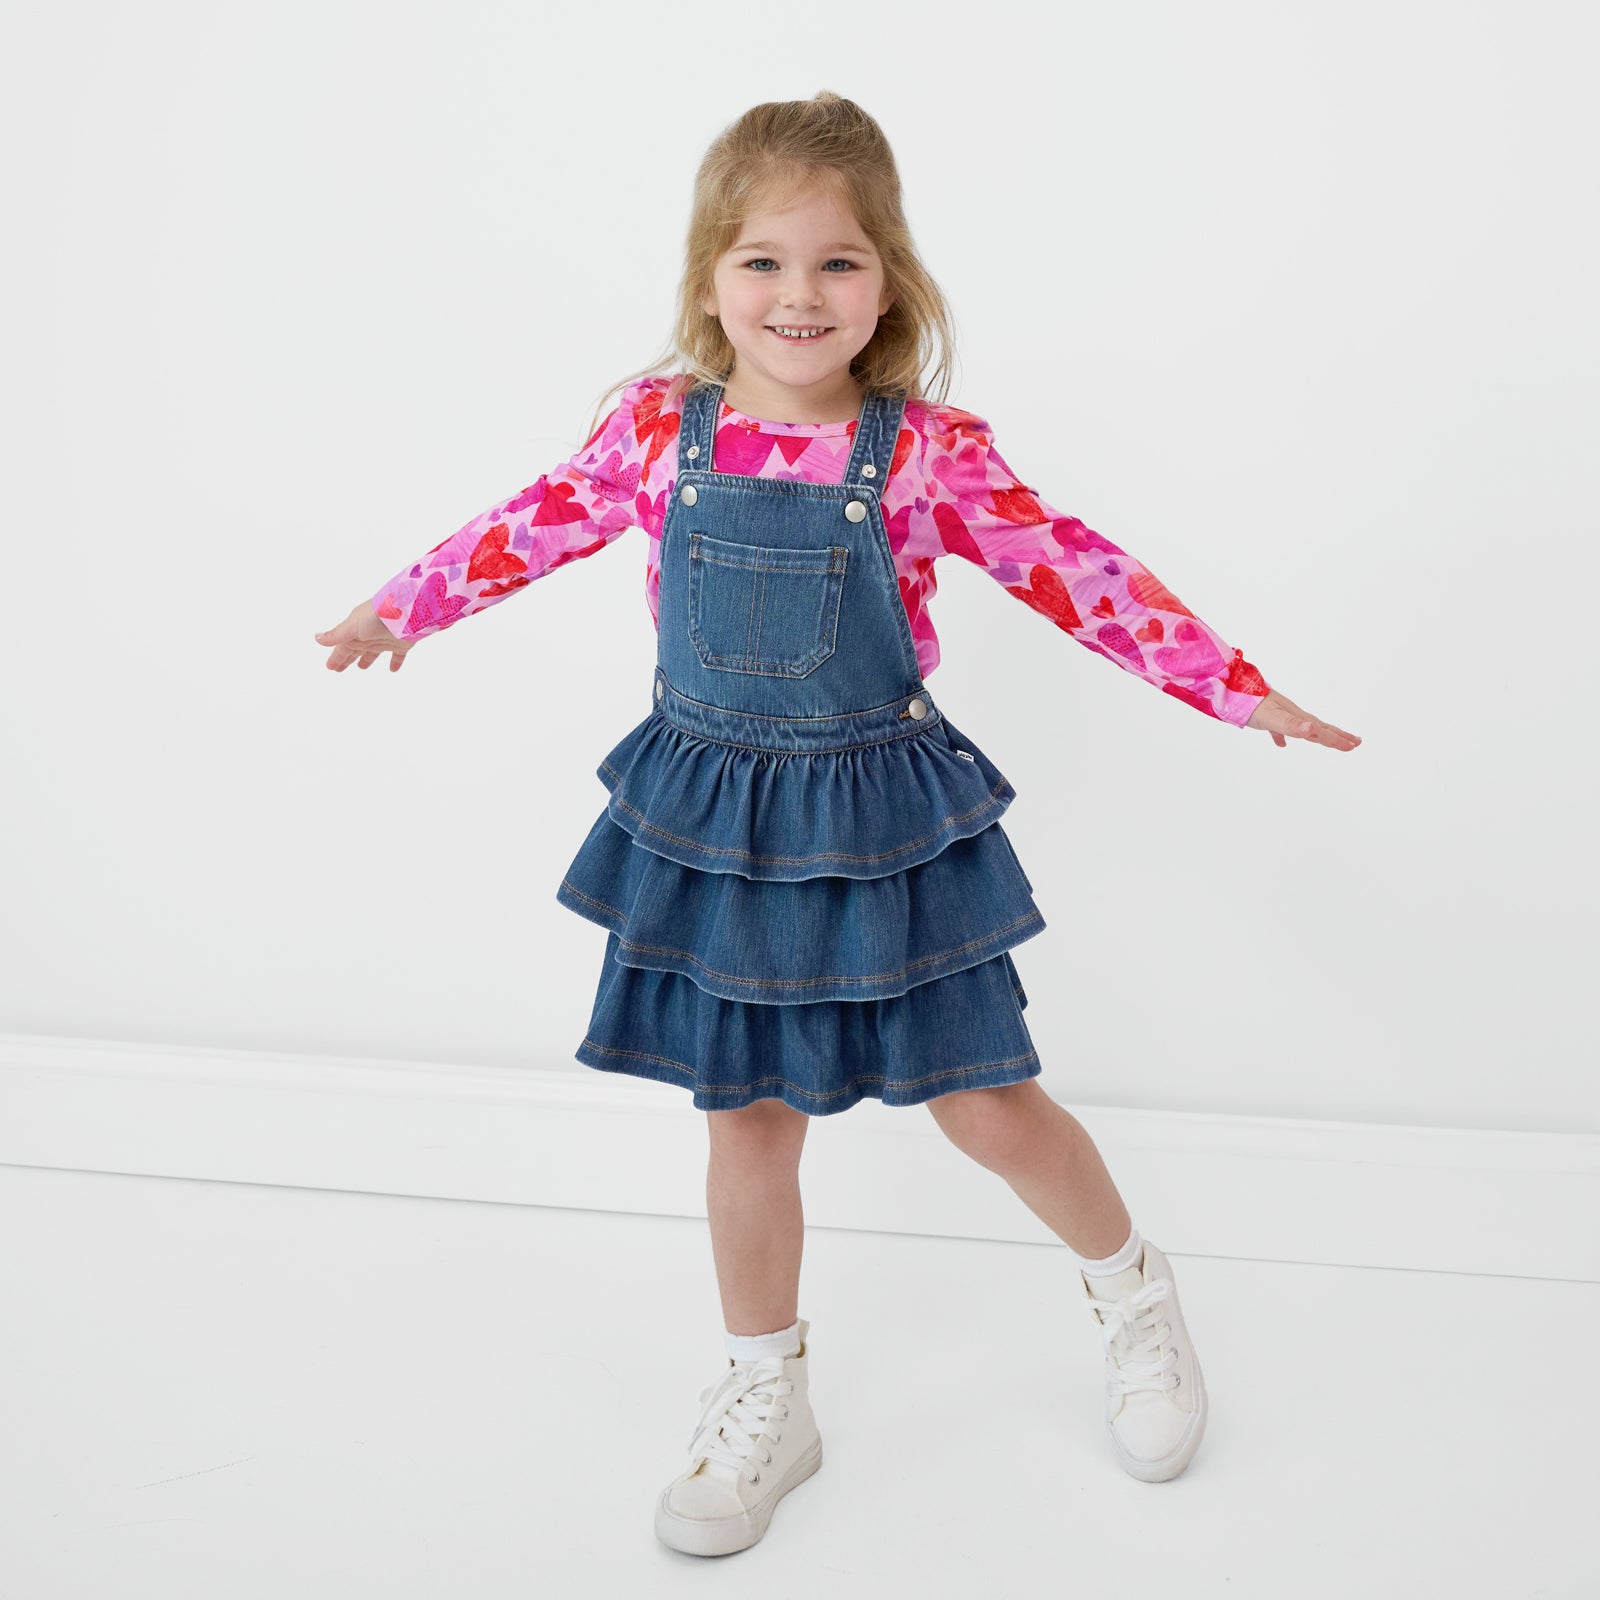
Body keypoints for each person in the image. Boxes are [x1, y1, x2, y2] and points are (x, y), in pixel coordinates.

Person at [314, 91, 1361, 1557]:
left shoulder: (924, 452)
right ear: (707, 281)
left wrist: (1240, 693)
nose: (798, 296)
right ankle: (766, 1395)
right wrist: (400, 608)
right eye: (762, 263)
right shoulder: (650, 431)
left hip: (878, 810)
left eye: (837, 264)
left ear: (890, 283)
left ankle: (1136, 1294)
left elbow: (1083, 576)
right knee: (743, 1120)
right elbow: (528, 520)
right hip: (713, 812)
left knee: (983, 1099)